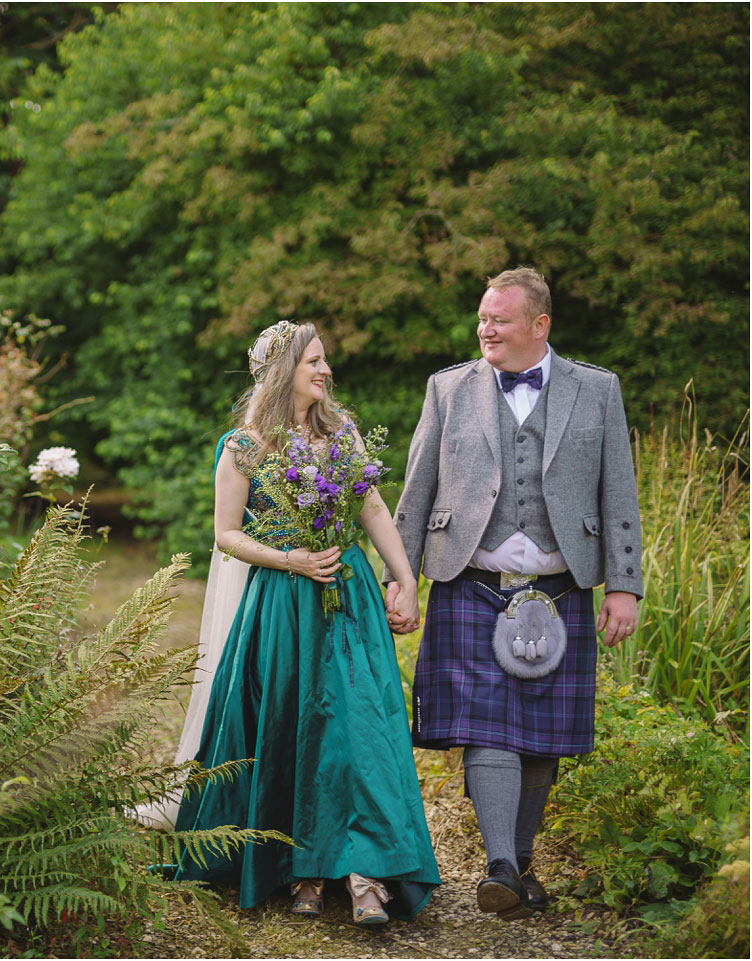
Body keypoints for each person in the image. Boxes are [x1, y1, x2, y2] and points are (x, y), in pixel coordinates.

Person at [142, 320, 440, 925]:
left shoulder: (342, 432)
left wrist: (404, 576)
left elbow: (372, 504)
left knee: (361, 726)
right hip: (282, 600)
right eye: (313, 362)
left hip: (347, 597)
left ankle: (366, 871)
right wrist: (290, 559)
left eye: (325, 360)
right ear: (284, 373)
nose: (325, 371)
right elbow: (225, 534)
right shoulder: (244, 445)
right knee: (294, 725)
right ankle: (301, 866)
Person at [386, 266, 642, 919]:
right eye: (482, 317)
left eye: (499, 318)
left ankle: (520, 860)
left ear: (539, 324)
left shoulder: (597, 389)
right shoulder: (448, 389)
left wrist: (624, 585)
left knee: (542, 737)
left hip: (560, 587)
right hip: (471, 581)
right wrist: (401, 574)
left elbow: (620, 494)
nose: (486, 328)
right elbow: (415, 493)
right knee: (486, 723)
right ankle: (499, 863)